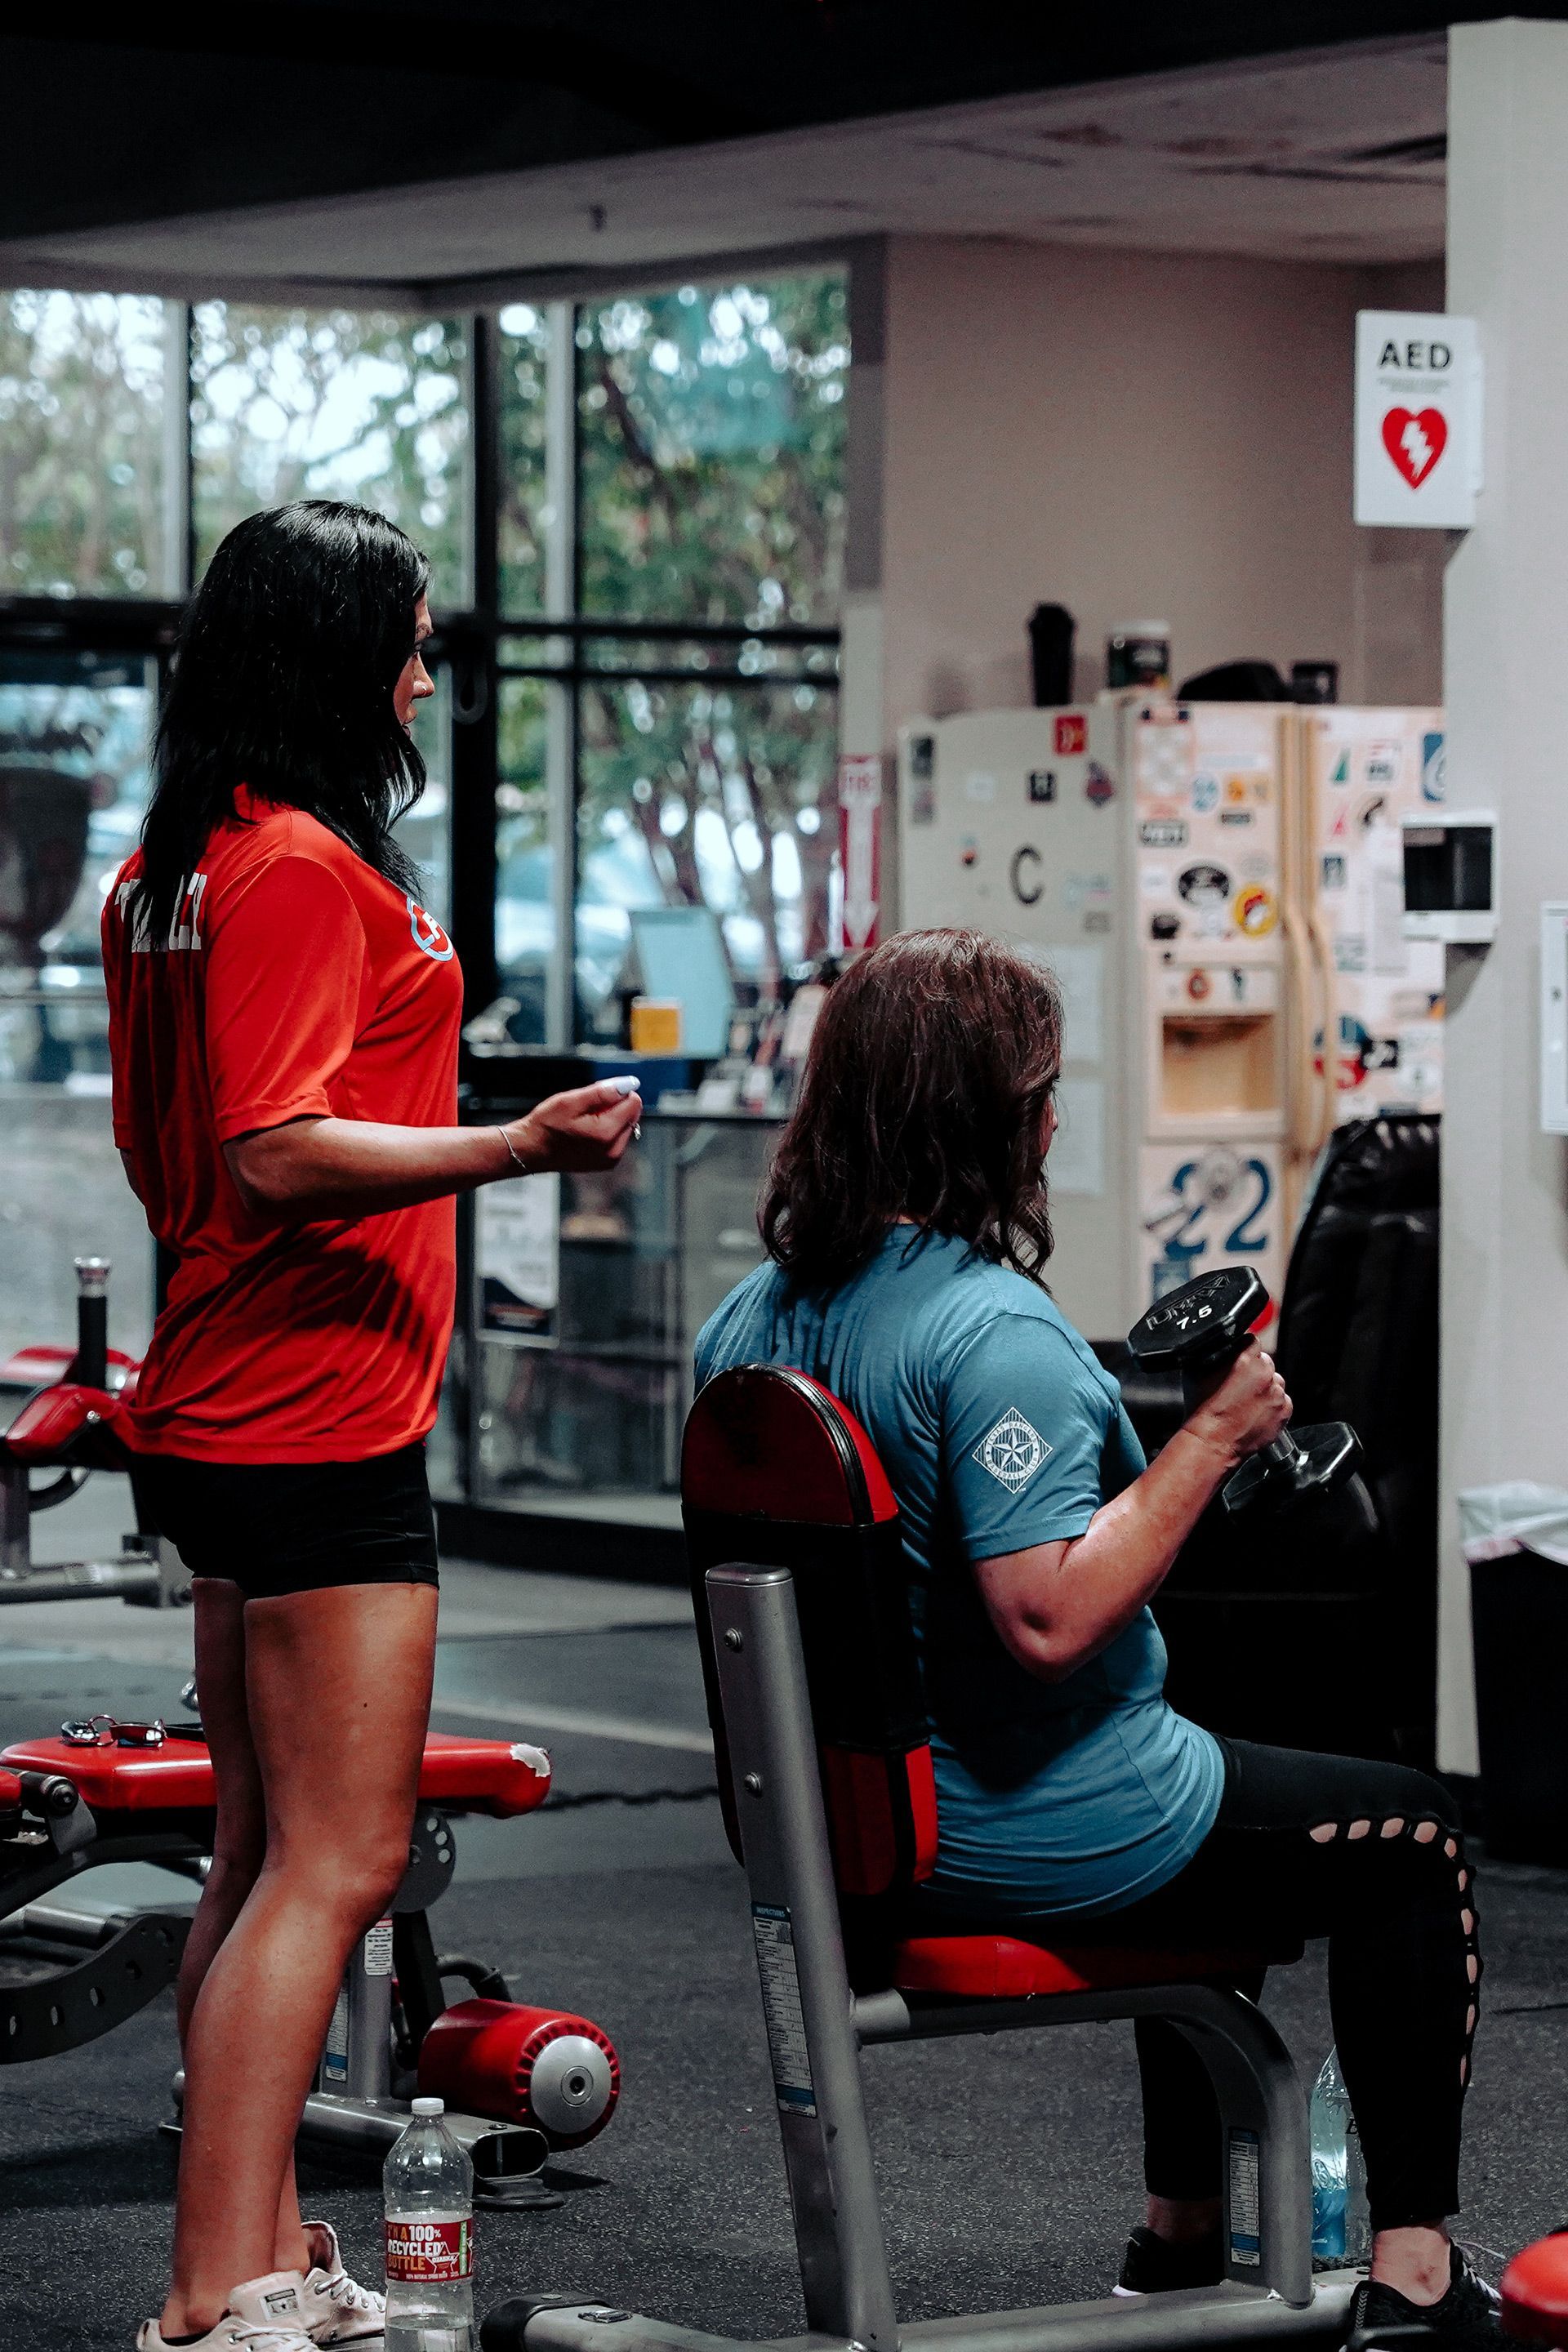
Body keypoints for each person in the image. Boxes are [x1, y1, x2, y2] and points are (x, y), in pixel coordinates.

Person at [695, 929, 1495, 2352]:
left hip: (827, 1833)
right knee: (1413, 1837)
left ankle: (1179, 2236)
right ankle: (1418, 2281)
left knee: (1225, 1776)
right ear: (984, 1120)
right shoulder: (991, 1332)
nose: (1055, 1121)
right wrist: (1215, 1436)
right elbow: (1050, 1617)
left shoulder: (745, 1324)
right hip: (1032, 1831)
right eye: (1042, 1094)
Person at [105, 501, 642, 2352]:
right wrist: (518, 1145)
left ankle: (255, 2252)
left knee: (265, 1856)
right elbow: (272, 1147)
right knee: (336, 1866)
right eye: (409, 641)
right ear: (332, 653)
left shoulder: (179, 868)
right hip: (311, 1408)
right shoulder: (291, 869)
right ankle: (213, 2291)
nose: (425, 673)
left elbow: (180, 1145)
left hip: (232, 1393)